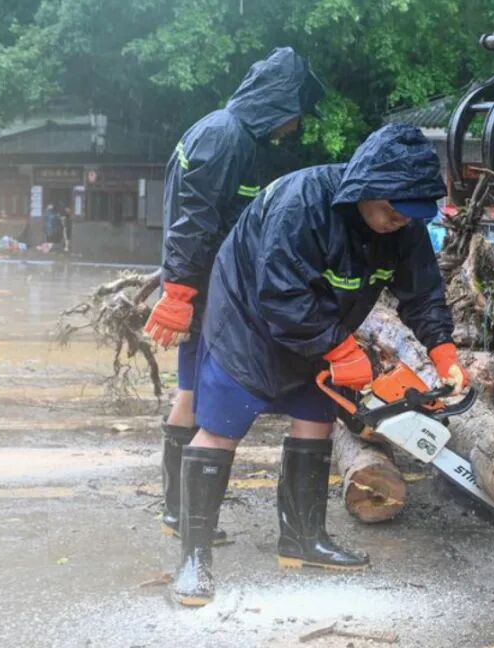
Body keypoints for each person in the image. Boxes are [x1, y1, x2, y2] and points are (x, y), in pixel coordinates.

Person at [170, 124, 468, 606]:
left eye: (408, 215)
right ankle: (194, 557)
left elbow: (423, 290)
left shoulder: (404, 227)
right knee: (221, 426)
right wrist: (341, 349)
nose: (398, 221)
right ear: (367, 190)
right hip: (247, 314)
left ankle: (303, 538)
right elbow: (280, 293)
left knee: (315, 416)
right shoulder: (302, 203)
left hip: (322, 321)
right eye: (392, 210)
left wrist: (442, 350)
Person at [143, 47, 326, 545]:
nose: (293, 128)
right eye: (294, 117)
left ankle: (178, 512)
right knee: (197, 396)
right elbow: (195, 219)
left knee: (189, 392)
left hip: (202, 287)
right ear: (280, 105)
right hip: (205, 292)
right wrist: (180, 292)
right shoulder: (225, 137)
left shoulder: (224, 131)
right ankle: (183, 513)